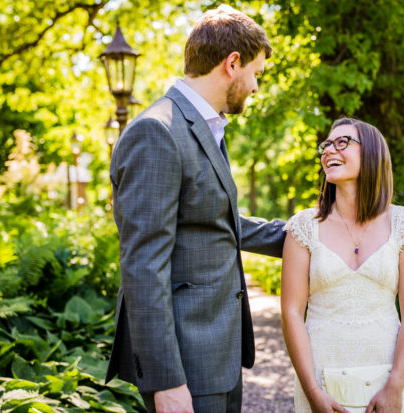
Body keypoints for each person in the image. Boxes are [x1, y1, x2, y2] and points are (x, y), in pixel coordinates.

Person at [104, 5, 286, 413]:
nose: (256, 87)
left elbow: (211, 218)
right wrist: (166, 381)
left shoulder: (206, 126)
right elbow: (143, 266)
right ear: (232, 63)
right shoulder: (158, 131)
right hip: (185, 363)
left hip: (218, 355)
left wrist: (304, 233)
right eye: (256, 73)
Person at [281, 117, 404, 413]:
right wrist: (312, 391)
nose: (329, 150)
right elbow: (291, 313)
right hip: (321, 381)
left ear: (372, 153)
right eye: (327, 145)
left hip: (387, 380)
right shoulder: (303, 227)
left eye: (343, 142)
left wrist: (395, 386)